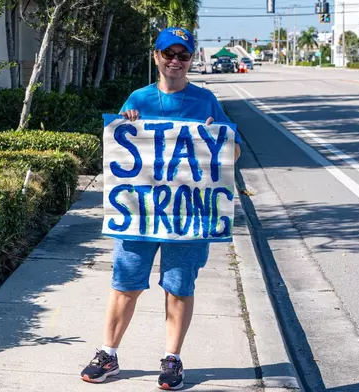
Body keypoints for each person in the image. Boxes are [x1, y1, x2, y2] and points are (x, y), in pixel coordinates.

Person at [80, 27, 242, 390]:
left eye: (183, 55)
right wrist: (128, 124)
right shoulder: (139, 98)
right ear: (155, 57)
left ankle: (172, 360)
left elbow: (234, 154)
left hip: (188, 215)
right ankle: (108, 354)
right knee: (125, 283)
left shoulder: (206, 101)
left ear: (191, 60)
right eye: (168, 53)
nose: (175, 61)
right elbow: (122, 151)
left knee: (179, 287)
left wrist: (219, 140)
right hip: (140, 212)